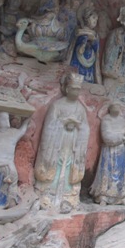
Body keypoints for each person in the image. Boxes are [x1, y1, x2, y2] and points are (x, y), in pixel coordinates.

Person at [34, 72, 90, 213]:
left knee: (69, 167)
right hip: (57, 143)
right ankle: (47, 195)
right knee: (55, 165)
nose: (76, 92)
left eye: (78, 89)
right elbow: (49, 126)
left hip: (73, 144)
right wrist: (63, 122)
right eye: (73, 88)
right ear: (66, 88)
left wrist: (77, 125)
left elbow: (85, 128)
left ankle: (69, 197)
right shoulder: (57, 105)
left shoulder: (80, 109)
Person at [89, 103, 125, 205]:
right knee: (106, 172)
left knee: (121, 173)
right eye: (114, 106)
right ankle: (103, 196)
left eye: (118, 106)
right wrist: (122, 134)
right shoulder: (106, 120)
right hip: (109, 150)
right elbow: (107, 137)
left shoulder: (123, 121)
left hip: (121, 151)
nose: (116, 108)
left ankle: (122, 196)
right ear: (109, 109)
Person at [69, 8, 102, 84]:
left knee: (89, 75)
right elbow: (75, 42)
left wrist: (93, 41)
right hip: (78, 57)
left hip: (90, 58)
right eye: (93, 18)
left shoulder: (95, 34)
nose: (95, 21)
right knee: (76, 73)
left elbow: (96, 48)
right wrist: (84, 41)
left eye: (96, 19)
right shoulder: (79, 31)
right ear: (87, 18)